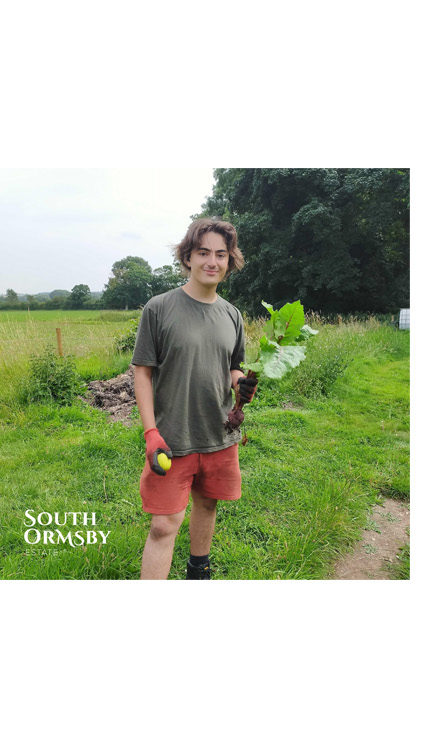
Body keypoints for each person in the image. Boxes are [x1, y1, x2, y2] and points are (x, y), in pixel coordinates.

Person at [131, 218, 257, 580]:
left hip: (218, 433)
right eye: (203, 253)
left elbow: (233, 367)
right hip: (172, 437)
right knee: (164, 524)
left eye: (221, 254)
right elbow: (142, 372)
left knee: (207, 503)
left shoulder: (232, 315)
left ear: (229, 261)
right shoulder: (159, 308)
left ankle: (197, 572)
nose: (212, 262)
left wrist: (240, 384)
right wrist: (150, 433)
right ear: (187, 257)